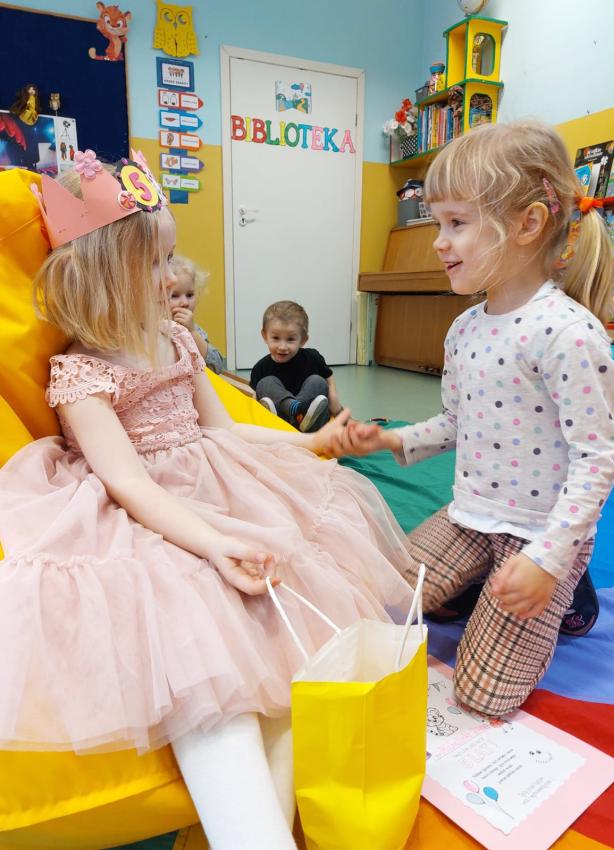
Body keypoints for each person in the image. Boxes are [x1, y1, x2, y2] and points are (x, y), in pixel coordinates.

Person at [0, 151, 414, 850]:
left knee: (285, 628)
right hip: (147, 517)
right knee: (203, 647)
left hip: (220, 482)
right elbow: (126, 483)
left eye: (170, 258)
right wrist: (213, 540)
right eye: (155, 262)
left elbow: (226, 431)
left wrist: (310, 445)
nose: (173, 277)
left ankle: (265, 823)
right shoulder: (80, 373)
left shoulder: (177, 341)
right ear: (102, 273)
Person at [327, 120, 614, 717]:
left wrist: (549, 560)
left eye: (457, 223)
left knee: (483, 696)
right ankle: (478, 581)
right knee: (383, 597)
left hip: (538, 531)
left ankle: (569, 590)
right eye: (437, 224)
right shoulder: (465, 328)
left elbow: (597, 459)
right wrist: (389, 440)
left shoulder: (568, 335)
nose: (439, 242)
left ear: (528, 225)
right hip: (471, 515)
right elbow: (455, 423)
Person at [250, 300, 344, 432]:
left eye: (290, 339)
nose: (282, 347)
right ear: (265, 336)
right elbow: (254, 398)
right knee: (265, 383)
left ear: (303, 340)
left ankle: (300, 414)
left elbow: (329, 377)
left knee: (318, 381)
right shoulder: (260, 368)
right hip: (279, 418)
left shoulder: (312, 357)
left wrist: (335, 403)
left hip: (308, 418)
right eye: (276, 338)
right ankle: (293, 410)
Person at [168, 253, 224, 373]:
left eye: (189, 295)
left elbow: (217, 366)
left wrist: (192, 333)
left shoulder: (194, 330)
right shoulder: (151, 332)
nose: (184, 303)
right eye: (175, 295)